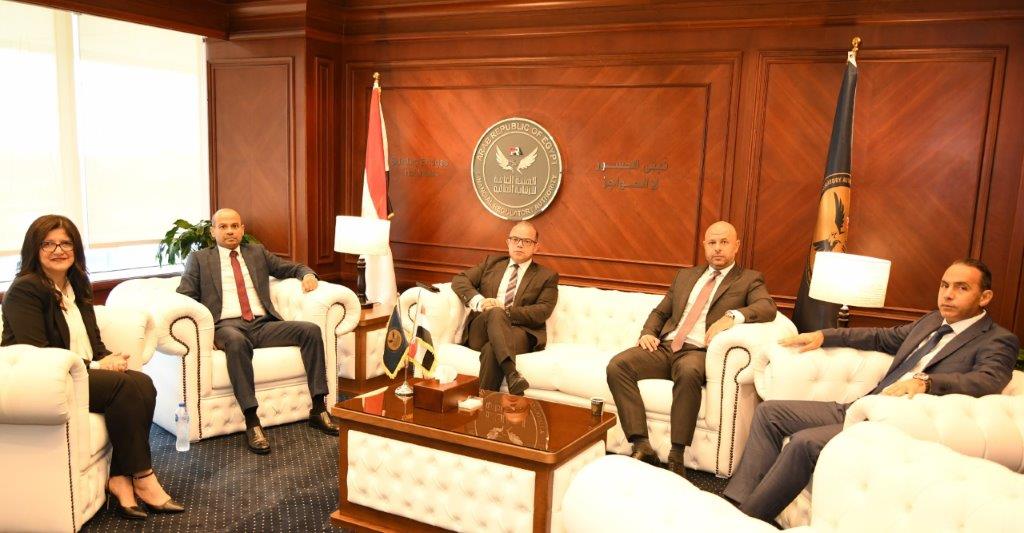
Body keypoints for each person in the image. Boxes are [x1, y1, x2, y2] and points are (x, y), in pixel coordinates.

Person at [723, 258, 1019, 524]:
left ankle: (746, 521)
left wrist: (927, 382)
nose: (948, 294)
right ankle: (736, 503)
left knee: (805, 442)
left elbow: (987, 380)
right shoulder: (932, 321)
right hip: (863, 405)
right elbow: (880, 337)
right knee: (770, 412)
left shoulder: (997, 340)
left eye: (961, 287)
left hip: (897, 421)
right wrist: (824, 335)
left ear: (985, 297)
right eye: (944, 285)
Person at [1, 215, 184, 520]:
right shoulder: (25, 290)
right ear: (34, 249)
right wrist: (99, 364)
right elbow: (40, 353)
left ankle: (120, 478)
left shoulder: (77, 284)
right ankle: (144, 476)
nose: (58, 250)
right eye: (48, 244)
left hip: (81, 372)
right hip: (43, 379)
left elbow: (93, 341)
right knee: (125, 387)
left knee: (142, 383)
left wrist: (112, 359)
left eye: (65, 243)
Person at [606, 221, 777, 478]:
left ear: (736, 246)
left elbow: (767, 307)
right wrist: (648, 333)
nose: (717, 248)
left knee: (688, 373)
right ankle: (641, 444)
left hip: (698, 352)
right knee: (618, 365)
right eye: (712, 243)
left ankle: (676, 454)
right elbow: (661, 312)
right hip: (665, 347)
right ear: (704, 245)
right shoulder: (685, 276)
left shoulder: (748, 279)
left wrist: (732, 316)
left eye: (724, 242)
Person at [176, 208, 337, 455]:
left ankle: (318, 408)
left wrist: (307, 274)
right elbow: (185, 295)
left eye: (235, 226)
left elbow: (290, 268)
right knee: (237, 342)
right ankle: (252, 421)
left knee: (310, 331)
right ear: (212, 231)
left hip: (262, 324)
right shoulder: (199, 259)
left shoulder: (257, 252)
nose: (230, 231)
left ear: (242, 229)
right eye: (223, 227)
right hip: (225, 326)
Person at [451, 221, 559, 394]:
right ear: (508, 242)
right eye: (515, 239)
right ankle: (512, 374)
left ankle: (484, 402)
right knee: (494, 312)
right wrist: (480, 302)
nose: (519, 244)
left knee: (491, 349)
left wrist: (506, 311)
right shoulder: (491, 263)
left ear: (536, 247)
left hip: (519, 333)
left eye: (527, 241)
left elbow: (542, 311)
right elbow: (460, 280)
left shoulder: (547, 276)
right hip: (481, 329)